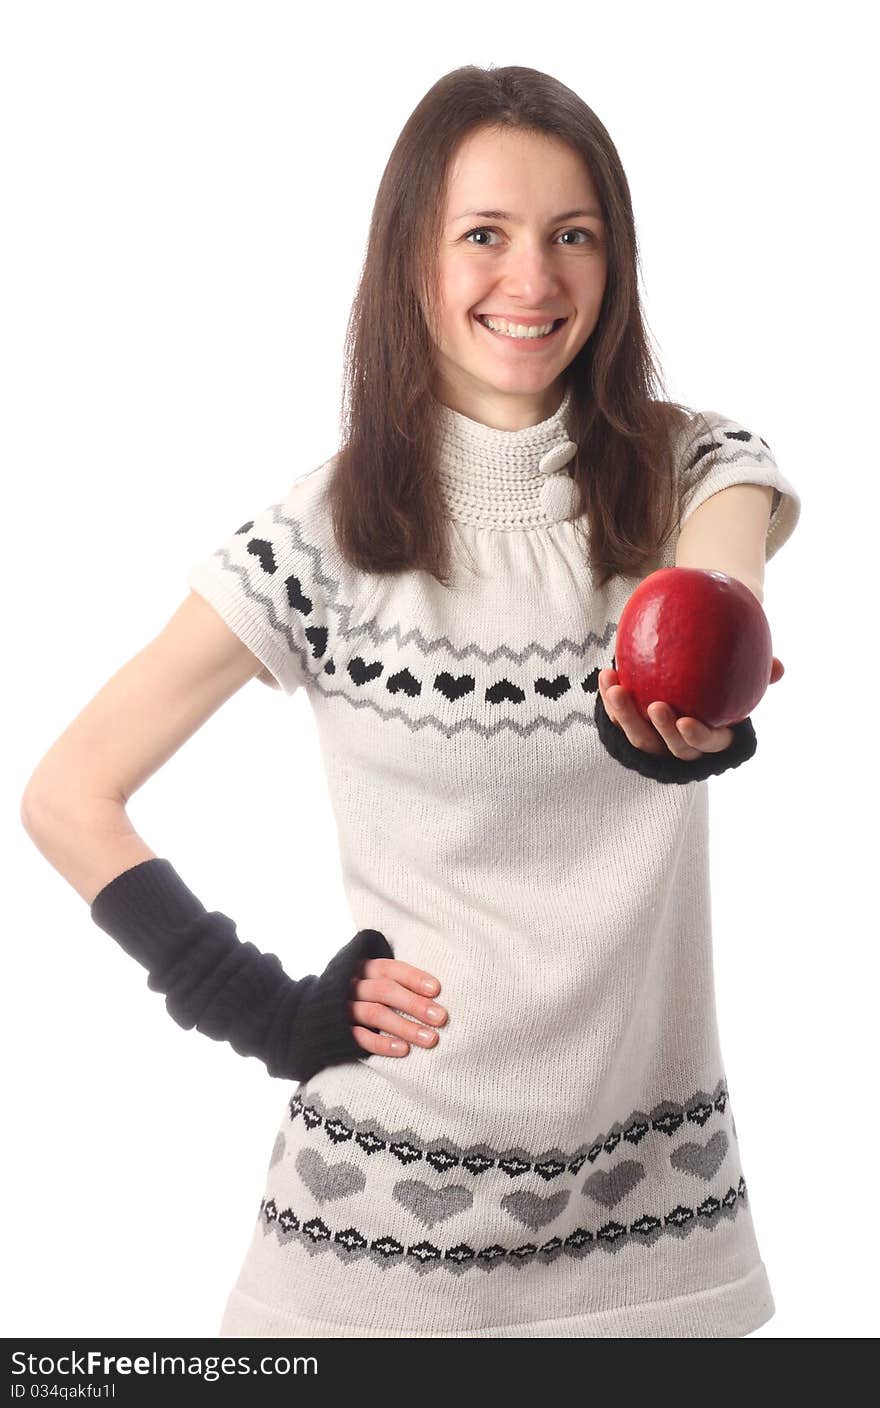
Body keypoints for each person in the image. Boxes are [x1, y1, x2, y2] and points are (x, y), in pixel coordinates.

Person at [21, 65, 800, 1338]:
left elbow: (715, 597)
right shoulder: (321, 538)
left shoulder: (695, 469)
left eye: (573, 236)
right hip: (372, 1241)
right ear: (410, 261)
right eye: (482, 236)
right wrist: (258, 1004)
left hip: (655, 1237)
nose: (533, 281)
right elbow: (66, 795)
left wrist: (683, 720)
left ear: (615, 260)